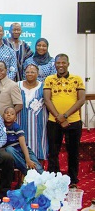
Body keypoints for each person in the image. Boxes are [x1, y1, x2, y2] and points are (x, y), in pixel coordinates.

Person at [44, 53, 85, 186]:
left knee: (73, 151)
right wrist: (59, 117)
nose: (60, 65)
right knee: (53, 152)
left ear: (68, 64)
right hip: (54, 121)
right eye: (58, 63)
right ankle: (53, 178)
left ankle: (73, 179)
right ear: (54, 64)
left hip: (73, 121)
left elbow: (81, 99)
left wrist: (65, 116)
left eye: (63, 63)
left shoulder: (77, 79)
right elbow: (47, 100)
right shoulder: (49, 79)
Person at [17, 64, 48, 161]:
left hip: (39, 126)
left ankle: (39, 173)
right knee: (20, 151)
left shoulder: (43, 87)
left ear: (38, 73)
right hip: (20, 122)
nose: (30, 74)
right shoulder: (17, 85)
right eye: (27, 72)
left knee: (38, 149)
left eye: (33, 72)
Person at [2, 107, 44, 175]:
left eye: (12, 114)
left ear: (15, 118)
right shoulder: (1, 127)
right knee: (9, 149)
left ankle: (46, 181)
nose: (9, 115)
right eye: (7, 113)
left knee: (36, 167)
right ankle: (28, 173)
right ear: (3, 115)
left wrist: (27, 159)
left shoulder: (16, 127)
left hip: (24, 150)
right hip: (13, 153)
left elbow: (23, 144)